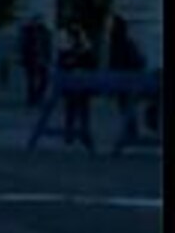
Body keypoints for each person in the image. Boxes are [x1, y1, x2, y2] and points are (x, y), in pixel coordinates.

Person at [105, 13, 146, 148]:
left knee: (126, 106)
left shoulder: (122, 43)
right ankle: (130, 131)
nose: (108, 27)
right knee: (126, 106)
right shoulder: (120, 42)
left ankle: (131, 132)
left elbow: (130, 61)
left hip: (127, 79)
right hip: (124, 79)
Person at [56, 17, 95, 150]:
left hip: (81, 82)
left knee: (80, 110)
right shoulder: (67, 42)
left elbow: (89, 61)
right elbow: (64, 61)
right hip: (74, 82)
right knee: (73, 110)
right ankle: (73, 133)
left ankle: (80, 133)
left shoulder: (83, 42)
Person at [19, 13, 53, 107]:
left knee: (44, 80)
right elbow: (23, 45)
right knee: (31, 80)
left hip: (42, 59)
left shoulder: (45, 31)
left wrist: (48, 58)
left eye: (39, 20)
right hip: (31, 59)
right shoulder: (27, 31)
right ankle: (31, 99)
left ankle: (38, 96)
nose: (37, 22)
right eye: (36, 20)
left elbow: (48, 46)